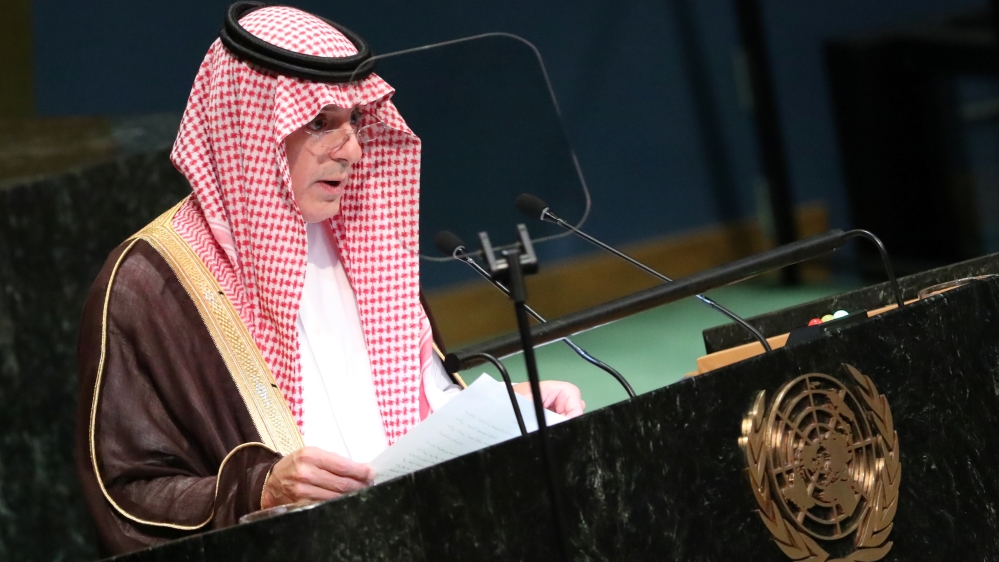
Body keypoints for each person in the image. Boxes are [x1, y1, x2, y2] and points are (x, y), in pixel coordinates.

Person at [74, 3, 584, 555]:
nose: (354, 151)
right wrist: (259, 489)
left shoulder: (368, 243)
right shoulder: (148, 283)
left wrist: (511, 406)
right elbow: (126, 496)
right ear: (250, 129)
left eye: (355, 120)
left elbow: (405, 408)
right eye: (320, 123)